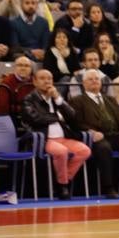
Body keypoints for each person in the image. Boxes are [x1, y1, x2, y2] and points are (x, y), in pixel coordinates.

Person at [70, 69, 119, 199]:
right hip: (97, 137)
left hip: (116, 135)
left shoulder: (110, 99)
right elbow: (75, 122)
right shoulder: (77, 100)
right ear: (83, 84)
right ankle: (108, 187)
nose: (94, 81)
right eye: (91, 79)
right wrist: (90, 131)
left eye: (97, 79)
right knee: (104, 148)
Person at [20, 68, 92, 200]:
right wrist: (58, 116)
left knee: (84, 150)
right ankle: (63, 186)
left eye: (49, 78)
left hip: (63, 137)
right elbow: (36, 119)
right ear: (34, 82)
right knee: (61, 152)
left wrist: (58, 99)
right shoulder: (29, 99)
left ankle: (62, 182)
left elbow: (72, 116)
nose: (46, 81)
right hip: (45, 139)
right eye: (42, 78)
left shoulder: (55, 98)